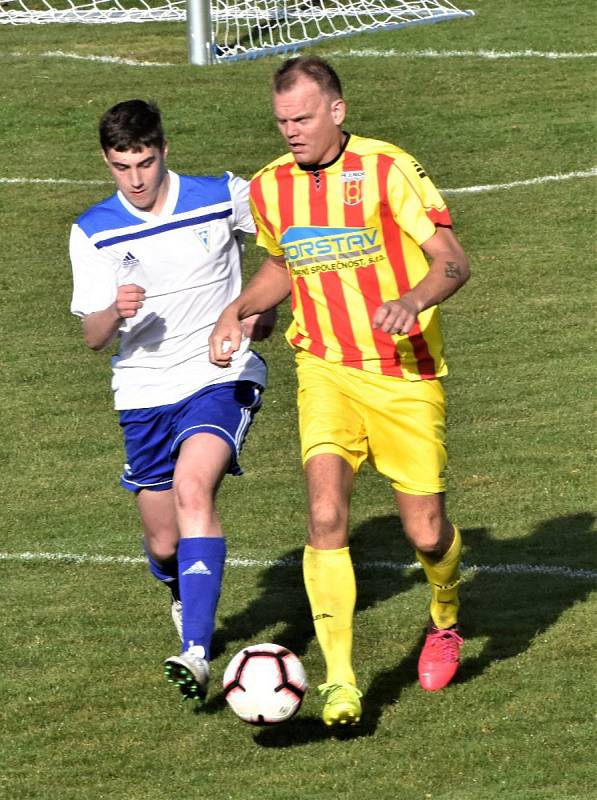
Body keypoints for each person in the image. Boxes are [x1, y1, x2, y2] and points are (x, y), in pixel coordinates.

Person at [209, 56, 470, 727]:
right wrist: (236, 311)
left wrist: (413, 300)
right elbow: (281, 264)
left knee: (426, 530)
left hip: (402, 375)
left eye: (301, 118)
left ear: (336, 111)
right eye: (281, 121)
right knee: (324, 517)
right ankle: (340, 683)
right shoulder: (270, 187)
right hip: (323, 368)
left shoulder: (388, 170)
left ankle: (443, 618)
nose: (290, 132)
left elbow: (451, 258)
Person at [69, 99, 274, 703]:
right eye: (120, 166)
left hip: (220, 371)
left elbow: (288, 250)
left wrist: (258, 310)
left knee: (193, 489)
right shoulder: (94, 229)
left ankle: (198, 652)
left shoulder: (220, 195)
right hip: (143, 391)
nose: (134, 179)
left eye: (145, 162)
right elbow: (91, 336)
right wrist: (115, 311)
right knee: (163, 542)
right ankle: (182, 588)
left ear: (164, 149)